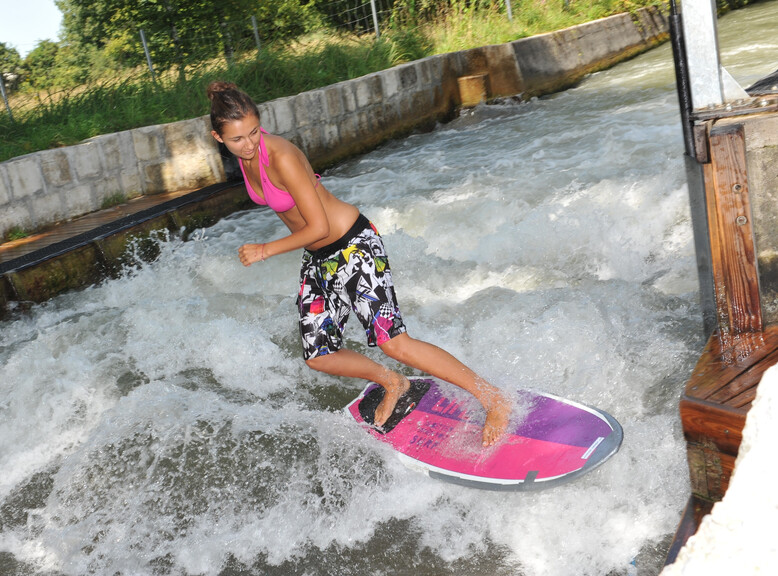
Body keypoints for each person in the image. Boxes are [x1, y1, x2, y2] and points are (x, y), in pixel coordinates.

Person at [207, 81, 511, 446]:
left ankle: (493, 397)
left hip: (353, 245)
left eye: (254, 132)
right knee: (319, 354)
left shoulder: (281, 156)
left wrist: (265, 250)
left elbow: (318, 225)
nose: (249, 144)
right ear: (218, 137)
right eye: (237, 139)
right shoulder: (246, 157)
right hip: (320, 258)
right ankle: (393, 382)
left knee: (395, 343)